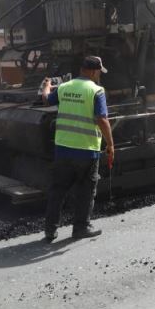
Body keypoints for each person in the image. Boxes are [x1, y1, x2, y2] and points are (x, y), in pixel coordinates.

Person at [41, 56, 115, 242]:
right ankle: (80, 228)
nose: (99, 75)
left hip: (63, 149)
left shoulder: (64, 87)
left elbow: (46, 100)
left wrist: (47, 86)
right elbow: (101, 119)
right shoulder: (96, 91)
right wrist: (111, 145)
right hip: (86, 150)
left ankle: (50, 230)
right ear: (92, 71)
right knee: (86, 191)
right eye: (99, 71)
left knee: (58, 190)